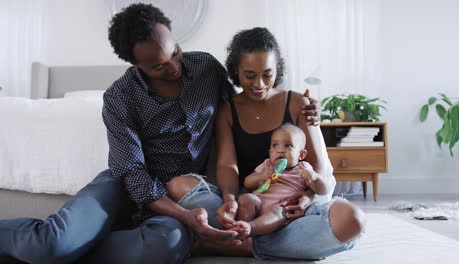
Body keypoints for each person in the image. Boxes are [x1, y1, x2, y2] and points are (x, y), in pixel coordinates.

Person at [0, 4, 320, 264]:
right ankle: (59, 247)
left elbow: (246, 103)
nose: (175, 68)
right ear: (134, 63)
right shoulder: (120, 97)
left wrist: (300, 110)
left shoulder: (206, 69)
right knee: (52, 245)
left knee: (163, 246)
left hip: (183, 193)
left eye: (176, 52)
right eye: (159, 66)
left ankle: (74, 250)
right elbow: (131, 174)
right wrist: (183, 215)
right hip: (124, 188)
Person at [169, 27, 366, 260]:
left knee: (352, 220)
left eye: (267, 74)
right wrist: (230, 200)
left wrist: (309, 198)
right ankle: (259, 238)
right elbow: (226, 165)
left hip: (293, 206)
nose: (259, 84)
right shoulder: (228, 109)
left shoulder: (298, 103)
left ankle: (238, 243)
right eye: (249, 75)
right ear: (236, 70)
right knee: (179, 185)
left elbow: (318, 166)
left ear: (277, 69)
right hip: (249, 203)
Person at [231, 123, 324, 239]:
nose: (280, 150)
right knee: (246, 198)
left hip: (281, 208)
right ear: (270, 152)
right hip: (258, 204)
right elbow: (247, 183)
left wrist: (315, 177)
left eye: (288, 145)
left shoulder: (303, 168)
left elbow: (322, 190)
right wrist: (260, 176)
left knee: (278, 212)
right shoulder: (267, 165)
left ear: (301, 154)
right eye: (275, 145)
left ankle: (250, 228)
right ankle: (241, 233)